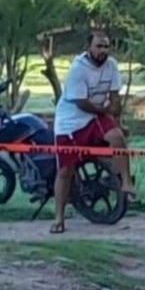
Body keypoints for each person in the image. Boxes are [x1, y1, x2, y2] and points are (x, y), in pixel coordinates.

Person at [50, 31, 137, 234]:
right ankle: (58, 218)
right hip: (70, 122)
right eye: (99, 46)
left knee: (117, 137)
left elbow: (115, 98)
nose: (103, 50)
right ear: (89, 47)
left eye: (106, 46)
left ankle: (125, 183)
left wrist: (117, 119)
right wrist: (108, 110)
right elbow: (82, 103)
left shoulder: (112, 66)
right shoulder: (77, 70)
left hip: (95, 114)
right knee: (65, 171)